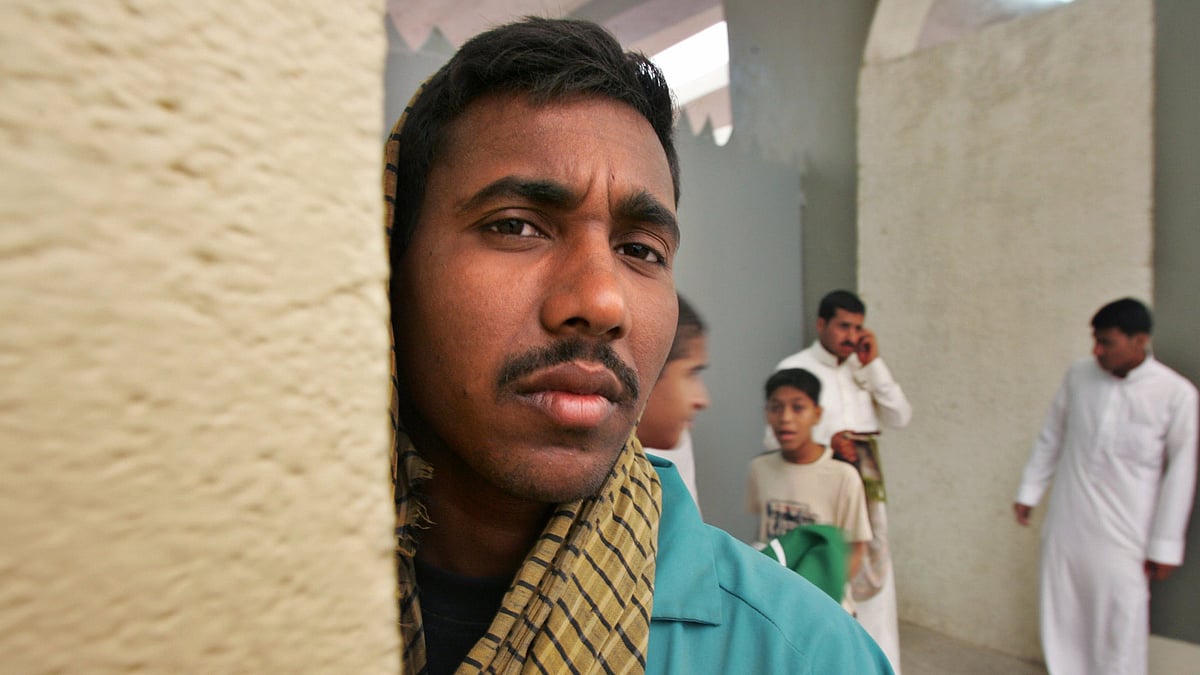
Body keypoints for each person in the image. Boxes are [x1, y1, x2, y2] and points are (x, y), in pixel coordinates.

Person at [385, 17, 893, 675]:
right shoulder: (251, 590)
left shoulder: (803, 654)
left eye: (639, 250)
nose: (602, 302)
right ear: (389, 265)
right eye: (515, 226)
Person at [1013, 298, 1198, 675]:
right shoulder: (1079, 375)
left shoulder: (1176, 394)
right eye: (1095, 340)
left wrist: (1164, 545)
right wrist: (1029, 492)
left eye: (1107, 342)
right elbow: (1052, 436)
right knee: (1063, 608)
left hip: (1126, 531)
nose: (1097, 350)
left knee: (1120, 618)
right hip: (1069, 519)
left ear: (1139, 340)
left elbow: (1181, 471)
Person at [767, 289, 911, 671]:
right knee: (825, 588)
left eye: (858, 327)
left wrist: (874, 365)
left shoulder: (863, 370)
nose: (851, 335)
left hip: (866, 496)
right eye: (843, 326)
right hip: (817, 500)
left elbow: (900, 416)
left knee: (875, 587)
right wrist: (824, 444)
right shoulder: (795, 369)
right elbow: (772, 441)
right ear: (821, 325)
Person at [749, 368, 873, 612]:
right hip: (773, 601)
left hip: (824, 605)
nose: (785, 418)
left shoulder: (843, 476)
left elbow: (857, 546)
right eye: (776, 407)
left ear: (817, 414)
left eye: (798, 408)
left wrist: (827, 589)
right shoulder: (759, 469)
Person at [640, 294, 709, 508]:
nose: (702, 400)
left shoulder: (679, 441)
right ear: (645, 373)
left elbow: (688, 536)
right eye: (692, 373)